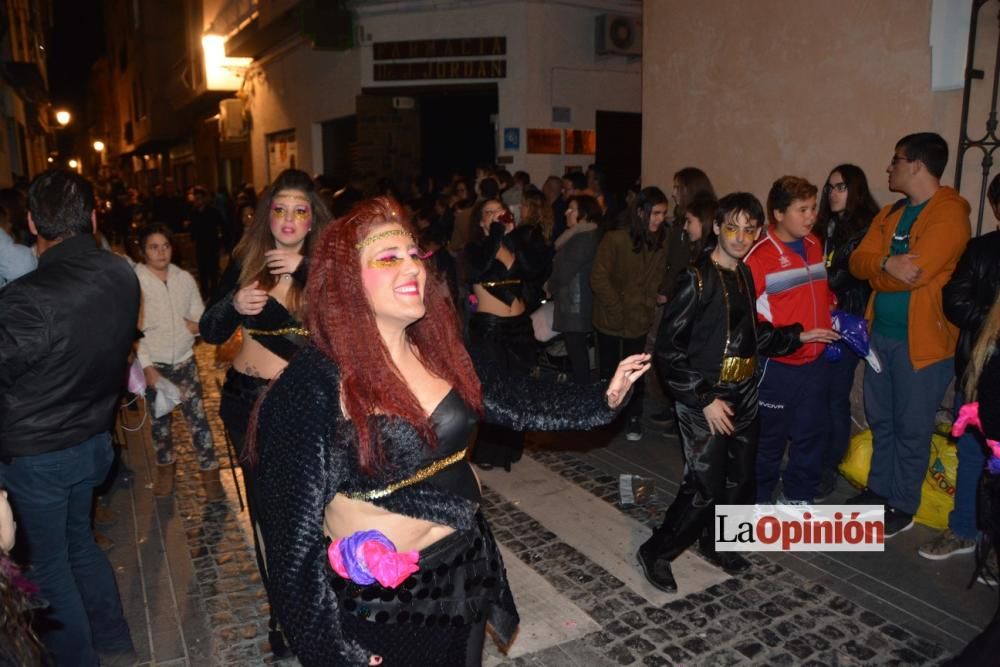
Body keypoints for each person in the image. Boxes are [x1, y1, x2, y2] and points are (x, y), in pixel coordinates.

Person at [247, 196, 650, 666]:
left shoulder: (438, 348)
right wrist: (333, 653)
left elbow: (514, 398)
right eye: (388, 258)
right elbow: (292, 551)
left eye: (414, 255)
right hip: (384, 603)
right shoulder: (309, 386)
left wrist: (602, 398)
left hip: (464, 565)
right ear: (346, 282)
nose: (412, 268)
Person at [639, 192, 836, 592]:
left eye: (750, 230)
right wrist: (704, 398)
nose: (741, 237)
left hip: (745, 390)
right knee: (704, 484)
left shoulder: (745, 274)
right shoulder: (694, 279)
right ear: (716, 227)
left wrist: (798, 335)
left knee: (740, 478)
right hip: (706, 397)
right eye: (732, 227)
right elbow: (669, 350)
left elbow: (752, 335)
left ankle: (717, 541)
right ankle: (656, 552)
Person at [0, 170, 138, 665]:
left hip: (38, 455)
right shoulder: (122, 272)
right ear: (94, 216)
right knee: (79, 543)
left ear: (33, 222)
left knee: (50, 564)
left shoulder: (26, 298)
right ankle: (114, 637)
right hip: (93, 440)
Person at [199, 168, 331, 656]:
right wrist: (234, 303)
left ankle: (313, 611)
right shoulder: (246, 259)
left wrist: (298, 280)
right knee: (262, 515)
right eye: (280, 209)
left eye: (300, 210)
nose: (289, 219)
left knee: (299, 516)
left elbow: (326, 346)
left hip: (297, 406)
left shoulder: (326, 269)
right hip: (242, 402)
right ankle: (282, 619)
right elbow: (212, 331)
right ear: (265, 215)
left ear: (312, 217)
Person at [848, 132, 971, 536]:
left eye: (895, 160)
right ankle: (878, 492)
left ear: (916, 165)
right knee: (881, 420)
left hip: (923, 346)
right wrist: (886, 262)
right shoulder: (891, 213)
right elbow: (857, 262)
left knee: (912, 428)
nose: (889, 167)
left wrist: (881, 273)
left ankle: (901, 505)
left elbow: (916, 273)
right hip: (879, 337)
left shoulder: (950, 213)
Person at [920, 172, 1000, 559]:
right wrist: (995, 319)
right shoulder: (982, 251)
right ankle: (963, 529)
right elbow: (955, 301)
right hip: (980, 372)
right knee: (971, 454)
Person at [744, 176, 836, 504]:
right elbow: (746, 319)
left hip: (816, 362)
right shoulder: (759, 256)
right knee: (769, 440)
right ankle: (758, 499)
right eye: (802, 209)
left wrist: (832, 313)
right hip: (778, 366)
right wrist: (795, 336)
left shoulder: (814, 244)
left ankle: (798, 496)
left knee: (811, 435)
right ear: (778, 213)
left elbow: (817, 294)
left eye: (813, 208)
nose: (811, 216)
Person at [135, 223, 223, 499]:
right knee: (160, 424)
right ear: (143, 250)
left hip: (185, 361)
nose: (161, 252)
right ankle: (165, 472)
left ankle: (210, 476)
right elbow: (133, 332)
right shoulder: (136, 281)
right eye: (153, 247)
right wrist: (146, 366)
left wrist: (195, 326)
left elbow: (201, 314)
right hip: (156, 365)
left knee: (198, 420)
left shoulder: (183, 278)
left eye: (165, 246)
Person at [464, 198, 549, 470]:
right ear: (480, 222)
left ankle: (511, 448)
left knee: (518, 387)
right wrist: (498, 235)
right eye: (488, 212)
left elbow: (533, 271)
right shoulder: (475, 247)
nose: (494, 216)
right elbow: (479, 267)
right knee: (495, 390)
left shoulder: (519, 243)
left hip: (520, 326)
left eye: (499, 212)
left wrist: (513, 238)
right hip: (491, 327)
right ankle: (488, 451)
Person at [814, 164, 881, 499]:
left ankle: (828, 468)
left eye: (840, 187)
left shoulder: (866, 228)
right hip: (819, 320)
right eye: (829, 187)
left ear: (855, 189)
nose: (833, 193)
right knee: (817, 396)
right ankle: (815, 461)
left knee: (835, 399)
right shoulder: (824, 225)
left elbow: (841, 276)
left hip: (848, 323)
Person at [591, 186, 670, 441]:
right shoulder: (615, 239)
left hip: (638, 318)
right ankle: (605, 416)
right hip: (611, 319)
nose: (660, 219)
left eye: (663, 213)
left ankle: (634, 417)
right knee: (609, 370)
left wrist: (649, 302)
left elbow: (656, 277)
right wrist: (616, 306)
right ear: (640, 212)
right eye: (655, 213)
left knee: (636, 371)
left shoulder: (660, 241)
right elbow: (599, 278)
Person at [547, 194, 601, 382]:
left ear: (584, 212)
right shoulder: (579, 235)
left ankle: (582, 394)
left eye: (572, 209)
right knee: (577, 350)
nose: (566, 212)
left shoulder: (583, 237)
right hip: (574, 300)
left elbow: (566, 269)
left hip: (576, 302)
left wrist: (549, 285)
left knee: (577, 351)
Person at [189, 186, 225, 298]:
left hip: (211, 244)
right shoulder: (194, 212)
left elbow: (222, 225)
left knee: (213, 270)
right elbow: (193, 228)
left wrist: (221, 242)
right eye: (196, 198)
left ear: (204, 199)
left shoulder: (212, 211)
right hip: (200, 244)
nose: (197, 201)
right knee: (202, 270)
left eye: (199, 198)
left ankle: (214, 292)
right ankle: (204, 292)